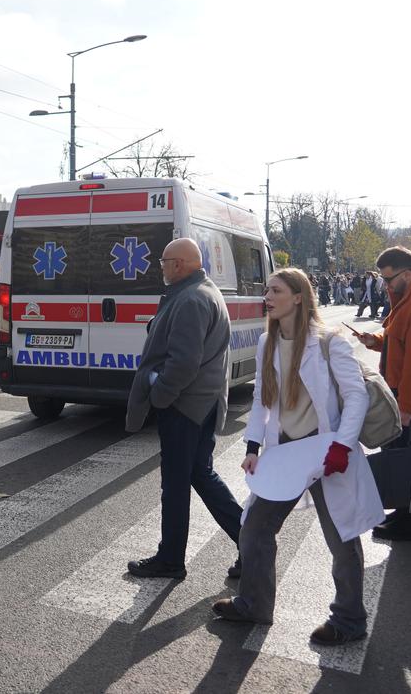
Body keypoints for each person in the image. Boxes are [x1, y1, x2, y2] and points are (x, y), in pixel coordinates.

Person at [212, 267, 383, 647]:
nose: (267, 297)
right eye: (267, 291)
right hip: (286, 453)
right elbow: (261, 400)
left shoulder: (329, 342)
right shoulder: (266, 343)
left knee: (341, 535)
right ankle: (254, 603)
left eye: (276, 290)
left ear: (299, 297)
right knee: (255, 528)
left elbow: (356, 396)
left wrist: (342, 446)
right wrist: (253, 447)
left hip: (326, 451)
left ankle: (350, 619)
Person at [126, 239, 242, 581]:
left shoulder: (192, 299)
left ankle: (171, 559)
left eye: (163, 261)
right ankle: (252, 542)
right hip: (201, 402)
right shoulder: (201, 290)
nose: (160, 266)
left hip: (186, 405)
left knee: (176, 483)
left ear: (179, 264)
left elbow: (183, 362)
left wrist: (160, 395)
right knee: (199, 475)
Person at [359, 246, 411, 541]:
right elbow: (393, 338)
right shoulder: (404, 300)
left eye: (389, 279)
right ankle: (402, 512)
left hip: (403, 393)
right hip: (397, 389)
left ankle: (408, 518)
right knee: (397, 455)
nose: (384, 285)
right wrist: (374, 340)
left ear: (409, 274)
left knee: (402, 457)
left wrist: (408, 406)